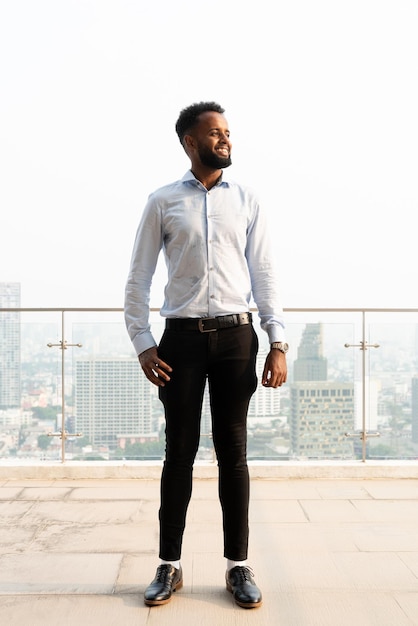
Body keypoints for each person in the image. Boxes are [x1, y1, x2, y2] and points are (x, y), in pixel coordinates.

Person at [124, 101, 288, 609]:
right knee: (179, 453)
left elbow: (264, 275)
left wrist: (277, 340)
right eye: (215, 134)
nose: (225, 140)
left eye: (228, 132)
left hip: (238, 341)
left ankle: (238, 567)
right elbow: (138, 279)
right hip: (181, 343)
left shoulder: (248, 199)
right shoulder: (162, 201)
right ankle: (168, 565)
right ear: (189, 142)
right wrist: (143, 343)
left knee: (233, 454)